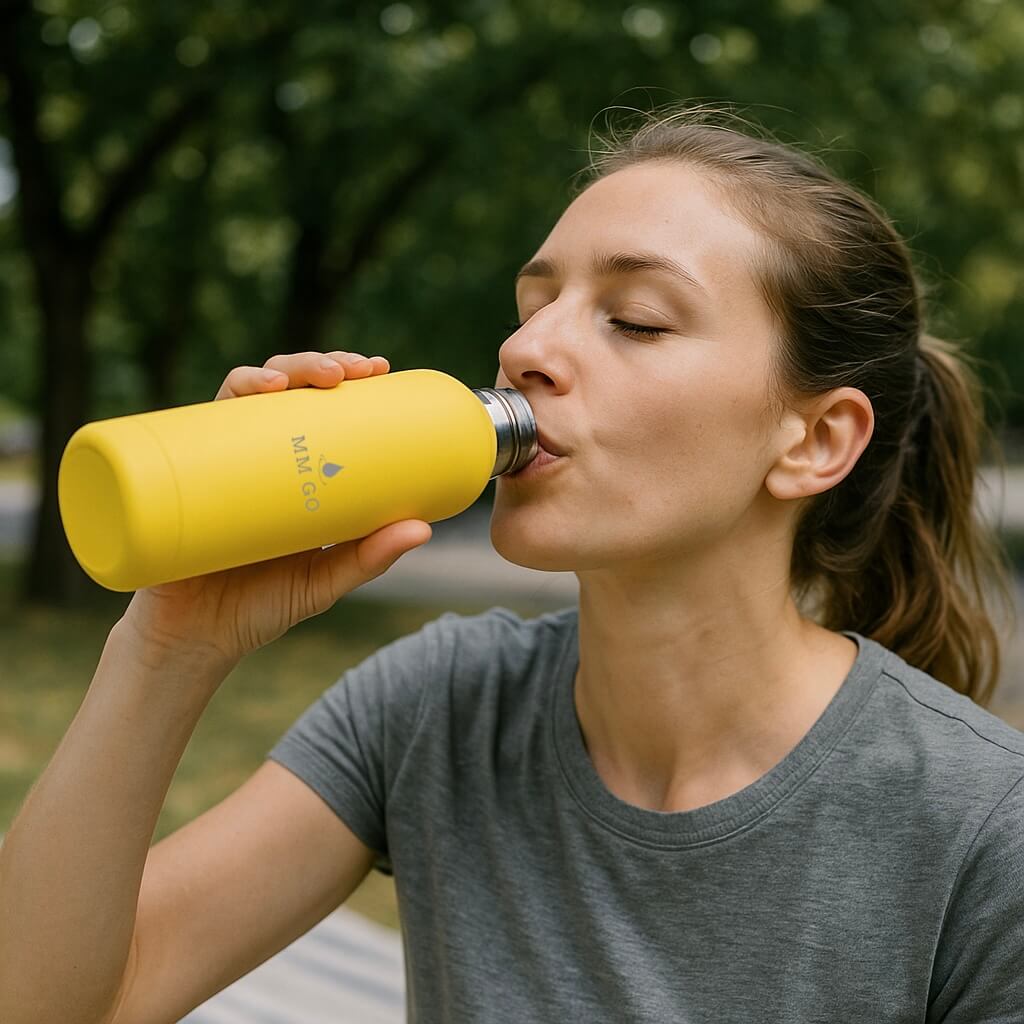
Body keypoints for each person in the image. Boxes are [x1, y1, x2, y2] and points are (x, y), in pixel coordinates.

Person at [1, 104, 1022, 1024]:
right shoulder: (439, 708)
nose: (526, 348)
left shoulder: (984, 831)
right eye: (535, 304)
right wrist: (170, 644)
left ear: (814, 441)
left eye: (635, 319)